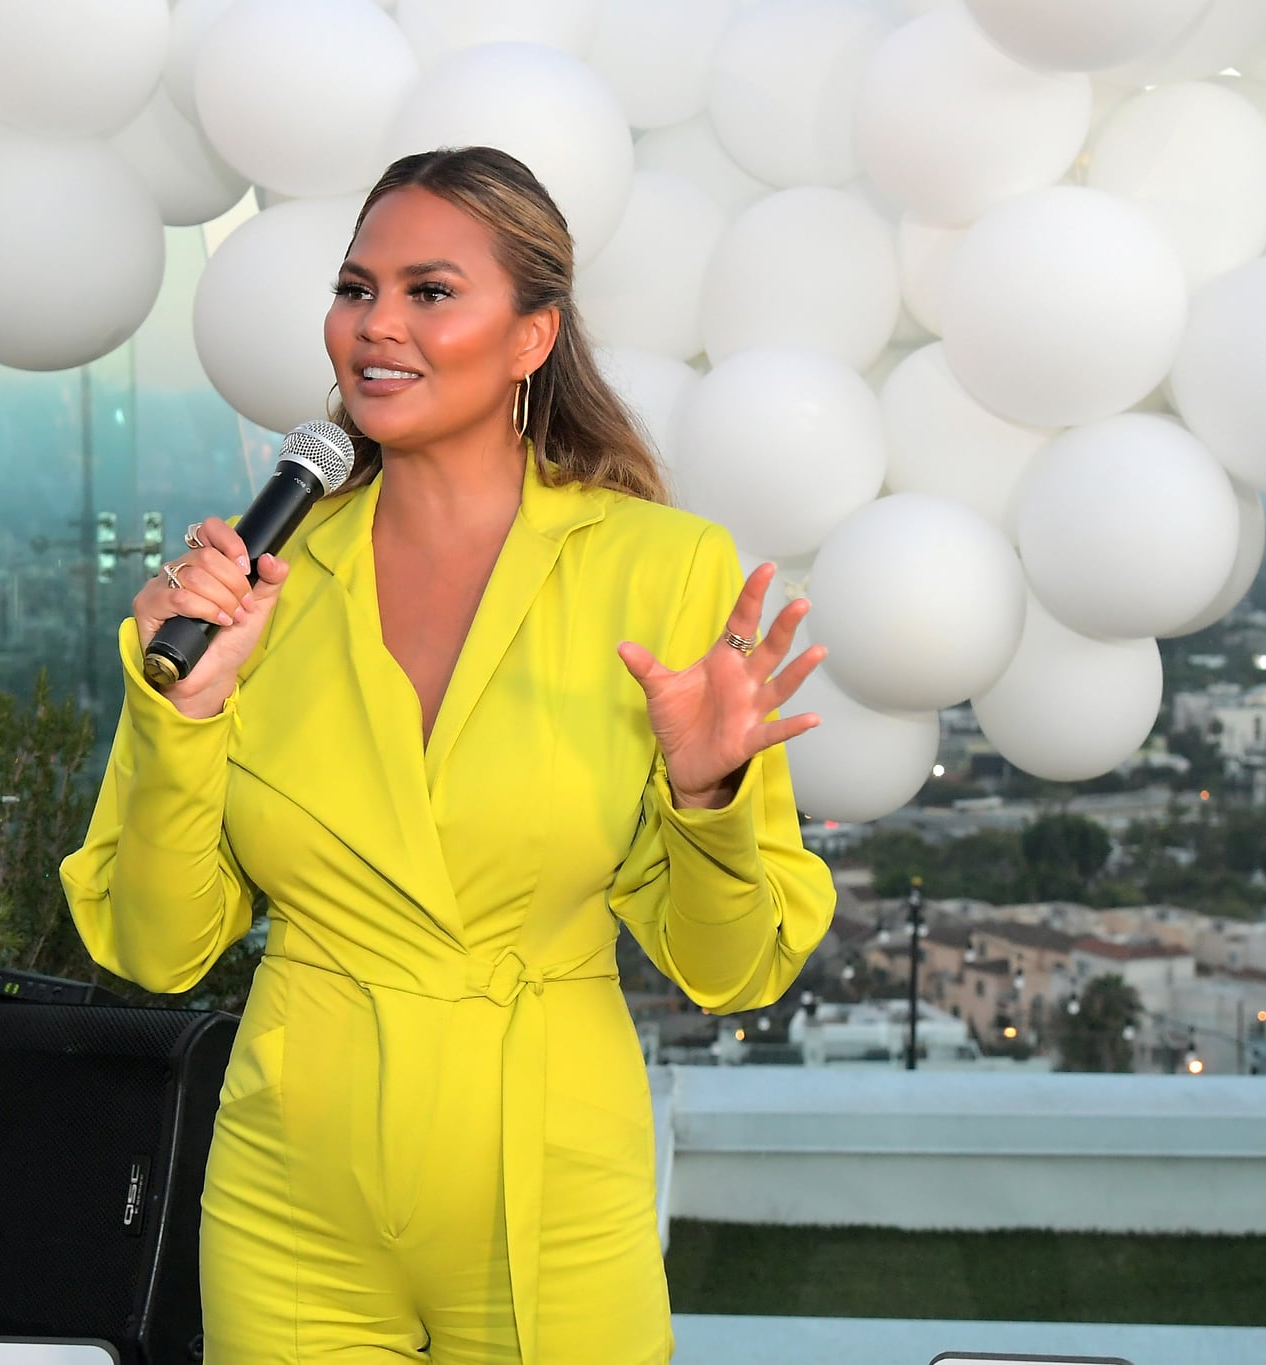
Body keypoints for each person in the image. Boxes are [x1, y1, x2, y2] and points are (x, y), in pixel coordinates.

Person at [60, 146, 837, 1365]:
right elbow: (156, 950)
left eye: (429, 292)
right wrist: (184, 718)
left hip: (553, 1195)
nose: (375, 327)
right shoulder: (246, 590)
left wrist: (706, 793)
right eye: (354, 288)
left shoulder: (665, 571)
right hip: (290, 1199)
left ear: (532, 336)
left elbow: (731, 971)